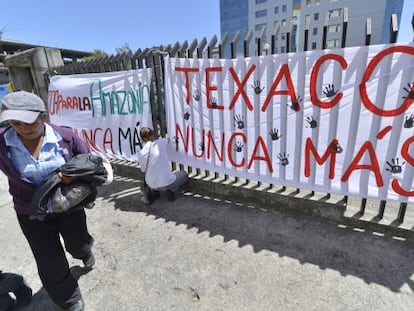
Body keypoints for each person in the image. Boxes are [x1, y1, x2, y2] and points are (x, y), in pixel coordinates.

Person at [0, 91, 94, 311]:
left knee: (77, 243)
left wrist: (74, 176)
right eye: (16, 122)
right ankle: (68, 299)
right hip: (30, 211)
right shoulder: (3, 143)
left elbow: (91, 164)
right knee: (49, 260)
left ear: (43, 116)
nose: (23, 128)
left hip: (68, 205)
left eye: (29, 122)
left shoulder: (66, 137)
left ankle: (84, 251)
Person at [138, 127, 188, 203]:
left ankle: (156, 191)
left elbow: (143, 170)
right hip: (167, 182)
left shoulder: (141, 153)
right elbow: (169, 140)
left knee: (155, 176)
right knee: (184, 174)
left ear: (142, 139)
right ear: (152, 135)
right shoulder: (160, 142)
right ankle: (170, 189)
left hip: (151, 184)